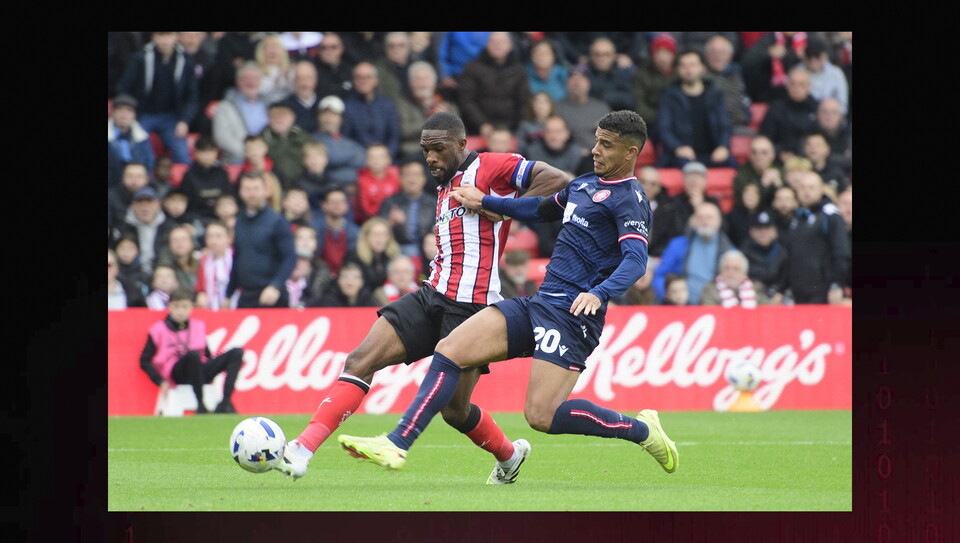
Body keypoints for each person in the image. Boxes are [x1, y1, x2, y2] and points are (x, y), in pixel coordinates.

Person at [337, 110, 678, 478]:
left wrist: (599, 292)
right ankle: (397, 442)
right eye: (596, 140)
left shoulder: (630, 199)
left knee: (541, 416)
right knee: (450, 349)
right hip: (540, 302)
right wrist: (488, 203)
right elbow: (538, 207)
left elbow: (635, 261)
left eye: (606, 145)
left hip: (573, 316)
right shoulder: (583, 185)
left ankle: (643, 430)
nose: (595, 150)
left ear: (630, 153)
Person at [272, 111, 569, 482]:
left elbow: (559, 181)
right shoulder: (445, 182)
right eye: (425, 150)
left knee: (456, 412)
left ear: (462, 145)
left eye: (438, 149)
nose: (430, 158)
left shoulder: (491, 166)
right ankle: (301, 450)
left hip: (472, 308)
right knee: (360, 359)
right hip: (432, 295)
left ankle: (509, 455)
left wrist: (500, 206)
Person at [139, 287, 244, 414]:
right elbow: (144, 360)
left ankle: (225, 401)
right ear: (170, 307)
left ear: (191, 307)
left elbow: (207, 355)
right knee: (192, 355)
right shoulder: (158, 329)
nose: (180, 311)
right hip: (177, 373)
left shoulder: (198, 326)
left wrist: (212, 368)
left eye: (185, 307)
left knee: (236, 352)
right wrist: (159, 381)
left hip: (199, 370)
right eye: (176, 306)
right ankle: (200, 405)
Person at [116, 31, 198, 166]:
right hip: (144, 114)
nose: (164, 40)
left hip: (171, 116)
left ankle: (182, 185)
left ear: (176, 37)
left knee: (183, 155)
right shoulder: (140, 58)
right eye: (160, 36)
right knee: (139, 151)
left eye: (168, 35)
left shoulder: (186, 60)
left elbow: (191, 96)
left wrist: (184, 120)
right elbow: (124, 88)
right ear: (153, 37)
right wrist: (131, 113)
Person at [771, 171, 850, 305]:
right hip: (798, 291)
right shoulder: (796, 218)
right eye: (802, 187)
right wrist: (781, 288)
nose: (806, 192)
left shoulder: (830, 215)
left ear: (820, 190)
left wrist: (836, 284)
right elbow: (789, 257)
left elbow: (841, 252)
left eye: (811, 187)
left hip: (823, 290)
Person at [226, 171, 297, 308]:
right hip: (246, 296)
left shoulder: (277, 221)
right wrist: (228, 294)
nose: (251, 193)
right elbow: (238, 258)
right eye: (247, 189)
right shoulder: (239, 221)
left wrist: (275, 286)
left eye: (256, 189)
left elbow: (290, 257)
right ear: (240, 192)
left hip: (272, 296)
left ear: (266, 191)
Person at [656, 49, 738, 169]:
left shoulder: (714, 94)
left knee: (732, 164)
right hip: (681, 156)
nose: (688, 70)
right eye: (683, 66)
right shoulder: (669, 96)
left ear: (702, 68)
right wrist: (677, 148)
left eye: (693, 65)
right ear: (677, 70)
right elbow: (664, 129)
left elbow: (724, 125)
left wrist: (723, 146)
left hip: (712, 154)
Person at [652, 200, 734, 304]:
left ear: (719, 221)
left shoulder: (729, 251)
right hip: (681, 309)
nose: (705, 222)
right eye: (700, 218)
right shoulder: (678, 245)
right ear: (693, 221)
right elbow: (659, 275)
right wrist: (668, 297)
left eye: (709, 217)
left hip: (716, 308)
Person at [457, 32, 530, 137]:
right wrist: (482, 124)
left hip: (512, 129)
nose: (497, 45)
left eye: (501, 42)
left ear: (510, 46)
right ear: (486, 44)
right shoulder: (472, 68)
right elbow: (467, 100)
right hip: (478, 128)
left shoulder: (518, 69)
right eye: (493, 41)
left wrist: (513, 127)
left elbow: (524, 101)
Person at [648, 161, 721, 257]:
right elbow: (669, 233)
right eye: (690, 177)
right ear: (684, 180)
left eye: (698, 177)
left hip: (708, 251)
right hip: (675, 253)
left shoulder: (713, 203)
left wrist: (699, 207)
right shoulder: (671, 203)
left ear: (705, 181)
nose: (694, 181)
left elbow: (721, 231)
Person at [395, 61, 460, 161]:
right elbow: (404, 130)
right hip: (414, 151)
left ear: (434, 82)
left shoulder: (447, 105)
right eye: (418, 79)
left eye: (426, 79)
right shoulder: (402, 104)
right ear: (410, 83)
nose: (422, 83)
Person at [212, 61, 270, 165]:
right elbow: (222, 138)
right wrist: (249, 154)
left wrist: (263, 153)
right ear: (238, 81)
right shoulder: (225, 107)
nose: (251, 83)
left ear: (260, 82)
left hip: (266, 158)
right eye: (246, 79)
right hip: (237, 159)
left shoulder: (270, 104)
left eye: (255, 79)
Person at [377, 158, 437, 258]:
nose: (411, 179)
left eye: (416, 175)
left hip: (425, 250)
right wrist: (391, 222)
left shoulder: (433, 203)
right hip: (397, 249)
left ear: (424, 178)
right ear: (400, 178)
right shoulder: (390, 202)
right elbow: (378, 228)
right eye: (407, 175)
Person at [758, 65, 819, 164]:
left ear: (809, 87)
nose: (797, 88)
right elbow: (766, 138)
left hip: (811, 160)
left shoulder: (817, 108)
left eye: (801, 85)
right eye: (793, 84)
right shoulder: (776, 108)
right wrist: (779, 153)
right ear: (787, 86)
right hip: (781, 161)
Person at [342, 62, 401, 161]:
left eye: (367, 77)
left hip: (387, 158)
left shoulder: (387, 105)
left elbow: (394, 135)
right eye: (359, 77)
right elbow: (346, 137)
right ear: (353, 81)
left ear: (375, 80)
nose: (363, 81)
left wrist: (387, 156)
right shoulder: (347, 106)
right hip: (359, 159)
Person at [120, 185, 179, 276]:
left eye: (149, 202)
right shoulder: (124, 228)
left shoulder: (169, 227)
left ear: (158, 205)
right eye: (140, 203)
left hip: (162, 273)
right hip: (131, 274)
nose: (145, 208)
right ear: (133, 206)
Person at [554, 65, 611, 158]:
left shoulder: (601, 108)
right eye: (572, 78)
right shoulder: (558, 108)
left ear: (589, 83)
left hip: (599, 156)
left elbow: (610, 137)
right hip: (568, 157)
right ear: (567, 83)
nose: (576, 83)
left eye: (581, 79)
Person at [312, 94, 367, 189]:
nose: (328, 118)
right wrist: (351, 157)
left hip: (356, 190)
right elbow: (332, 158)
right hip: (328, 189)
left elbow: (365, 160)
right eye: (325, 113)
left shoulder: (350, 142)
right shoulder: (313, 140)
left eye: (333, 114)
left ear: (341, 119)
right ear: (318, 117)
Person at [631, 32, 677, 142]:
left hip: (678, 123)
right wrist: (665, 118)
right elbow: (640, 107)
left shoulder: (680, 74)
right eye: (658, 52)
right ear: (652, 54)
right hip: (653, 125)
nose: (662, 57)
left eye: (667, 52)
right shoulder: (641, 75)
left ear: (674, 55)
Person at [702, 35, 752, 133]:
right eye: (713, 52)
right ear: (706, 56)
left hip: (738, 126)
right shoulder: (702, 78)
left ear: (730, 56)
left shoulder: (738, 75)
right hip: (710, 130)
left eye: (722, 52)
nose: (717, 56)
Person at [741, 31, 808, 104]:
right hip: (768, 91)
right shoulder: (770, 38)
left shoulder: (806, 37)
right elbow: (747, 61)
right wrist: (768, 53)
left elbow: (817, 56)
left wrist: (803, 55)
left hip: (798, 91)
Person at [179, 136, 233, 223]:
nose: (207, 156)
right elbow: (187, 204)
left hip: (221, 218)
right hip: (197, 218)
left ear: (216, 153)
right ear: (196, 153)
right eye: (203, 152)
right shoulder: (189, 175)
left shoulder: (222, 174)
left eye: (210, 152)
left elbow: (228, 197)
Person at [260, 101, 312, 190]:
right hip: (273, 186)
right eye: (274, 116)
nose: (279, 120)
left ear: (293, 118)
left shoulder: (304, 137)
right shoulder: (262, 140)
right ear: (268, 119)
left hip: (303, 184)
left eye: (283, 116)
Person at [108, 94, 156, 188]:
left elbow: (149, 162)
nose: (124, 114)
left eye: (129, 110)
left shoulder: (142, 137)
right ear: (113, 113)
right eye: (120, 109)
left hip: (137, 186)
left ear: (134, 115)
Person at [344, 216, 401, 292]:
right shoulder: (355, 257)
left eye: (384, 234)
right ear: (366, 237)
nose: (379, 239)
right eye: (375, 234)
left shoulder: (393, 256)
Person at [739, 209, 788, 298]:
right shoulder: (743, 254)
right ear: (751, 231)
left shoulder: (783, 252)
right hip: (751, 296)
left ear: (775, 231)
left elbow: (785, 280)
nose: (763, 232)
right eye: (759, 229)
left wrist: (779, 292)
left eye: (767, 228)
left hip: (779, 298)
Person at [313, 185, 360, 276]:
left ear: (346, 206)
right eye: (333, 202)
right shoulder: (314, 228)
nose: (337, 205)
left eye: (341, 202)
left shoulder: (355, 232)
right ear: (324, 205)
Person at [699, 249, 770, 307]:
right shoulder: (710, 290)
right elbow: (710, 314)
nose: (731, 273)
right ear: (720, 271)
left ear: (744, 273)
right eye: (727, 268)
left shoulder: (756, 288)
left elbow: (767, 311)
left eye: (736, 269)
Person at [800, 37, 849, 116]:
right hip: (804, 117)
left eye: (817, 56)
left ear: (824, 56)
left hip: (830, 118)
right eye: (809, 56)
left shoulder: (836, 73)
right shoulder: (798, 72)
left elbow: (843, 105)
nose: (813, 60)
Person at [732, 134, 783, 209]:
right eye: (754, 152)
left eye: (764, 152)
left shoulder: (780, 170)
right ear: (749, 155)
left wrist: (779, 186)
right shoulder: (741, 174)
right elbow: (746, 203)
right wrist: (763, 184)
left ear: (773, 155)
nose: (759, 156)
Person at [584, 36, 635, 111]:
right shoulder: (584, 74)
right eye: (597, 54)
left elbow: (629, 100)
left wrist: (603, 96)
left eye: (606, 54)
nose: (601, 58)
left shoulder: (622, 74)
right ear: (591, 56)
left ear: (614, 56)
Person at [355, 143, 401, 223]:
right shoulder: (361, 181)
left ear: (388, 159)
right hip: (371, 221)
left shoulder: (396, 177)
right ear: (366, 160)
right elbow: (364, 209)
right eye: (372, 157)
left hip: (393, 220)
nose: (376, 160)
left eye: (380, 157)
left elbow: (400, 201)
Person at [194, 220, 234, 310]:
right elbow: (200, 287)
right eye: (210, 236)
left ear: (229, 238)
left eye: (218, 236)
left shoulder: (236, 258)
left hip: (234, 306)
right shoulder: (204, 261)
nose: (213, 241)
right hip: (211, 308)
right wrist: (201, 295)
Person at [807, 97, 851, 176]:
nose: (829, 116)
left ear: (840, 116)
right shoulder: (809, 132)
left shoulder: (848, 134)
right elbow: (804, 155)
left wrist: (824, 157)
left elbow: (850, 160)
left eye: (834, 112)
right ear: (817, 115)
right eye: (824, 112)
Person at [240, 135, 283, 212]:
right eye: (249, 149)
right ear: (245, 153)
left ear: (265, 148)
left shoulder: (276, 171)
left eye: (257, 148)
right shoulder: (242, 176)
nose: (253, 152)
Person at [109, 161, 155, 232]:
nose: (134, 181)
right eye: (130, 176)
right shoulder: (111, 197)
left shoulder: (154, 196)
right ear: (123, 178)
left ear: (147, 179)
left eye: (139, 176)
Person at [278, 60, 322, 134]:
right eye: (299, 78)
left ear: (315, 81)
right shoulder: (283, 106)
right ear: (293, 81)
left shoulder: (323, 104)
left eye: (308, 78)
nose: (304, 83)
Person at [801, 132, 848, 197]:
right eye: (809, 145)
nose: (813, 148)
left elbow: (845, 190)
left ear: (827, 148)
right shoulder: (799, 169)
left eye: (818, 145)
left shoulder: (837, 170)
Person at [373, 32, 414, 105]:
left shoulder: (417, 68)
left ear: (409, 48)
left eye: (401, 46)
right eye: (391, 46)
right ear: (385, 48)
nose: (396, 50)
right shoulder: (377, 70)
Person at [156, 225, 199, 294]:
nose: (179, 243)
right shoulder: (165, 266)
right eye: (175, 240)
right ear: (169, 245)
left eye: (183, 239)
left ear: (192, 243)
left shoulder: (201, 262)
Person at [254, 34, 295, 106]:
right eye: (268, 47)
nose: (272, 50)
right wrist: (275, 81)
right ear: (261, 51)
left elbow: (296, 90)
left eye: (275, 46)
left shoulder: (291, 69)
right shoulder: (255, 70)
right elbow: (259, 92)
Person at [312, 32, 354, 99]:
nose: (329, 51)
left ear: (341, 49)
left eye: (333, 47)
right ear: (318, 51)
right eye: (324, 48)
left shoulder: (350, 70)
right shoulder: (312, 71)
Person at [515, 91, 555, 157]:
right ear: (532, 106)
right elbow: (520, 147)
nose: (540, 105)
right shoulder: (525, 125)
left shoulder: (557, 124)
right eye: (537, 102)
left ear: (551, 105)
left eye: (544, 102)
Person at [724, 181, 763, 248]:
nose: (750, 197)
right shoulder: (732, 216)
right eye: (747, 193)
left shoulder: (765, 215)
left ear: (759, 197)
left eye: (754, 194)